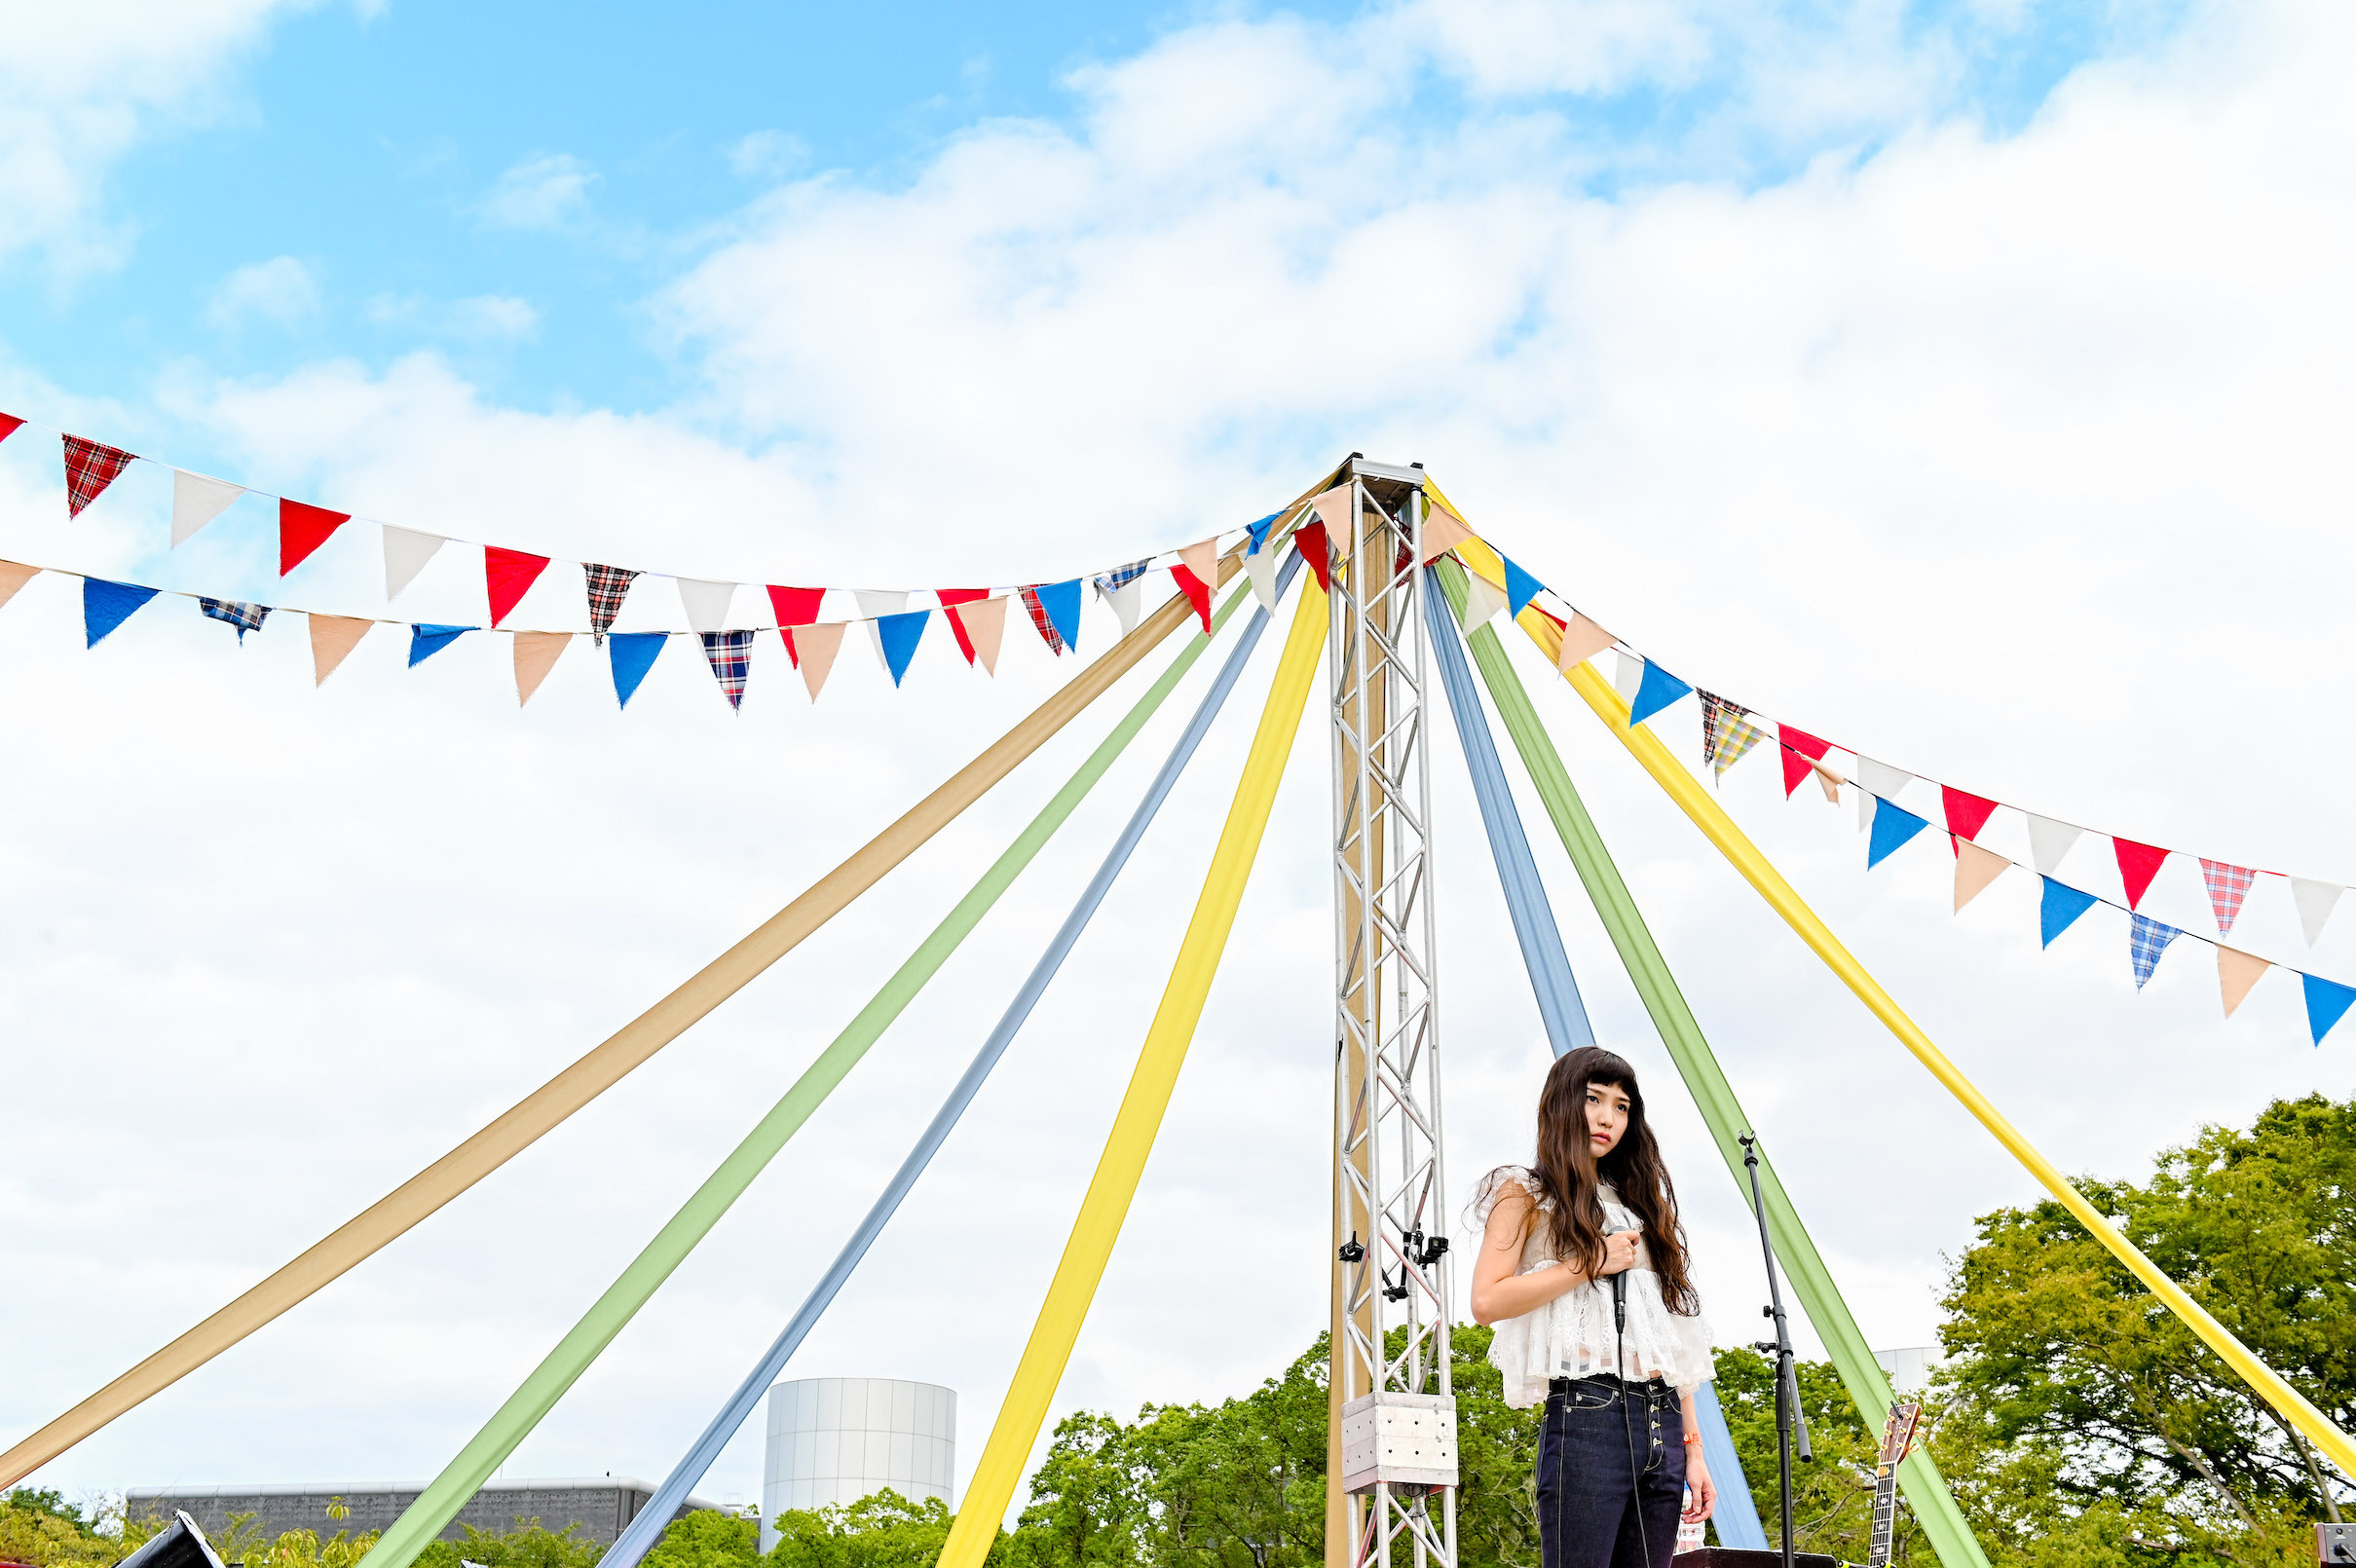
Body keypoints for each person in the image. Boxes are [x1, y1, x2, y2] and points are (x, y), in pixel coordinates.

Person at [1470, 1046, 1718, 1568]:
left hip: (1663, 1422)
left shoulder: (1642, 1206)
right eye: (1594, 1099)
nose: (1608, 1117)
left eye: (1623, 1106)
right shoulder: (1526, 1194)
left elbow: (1671, 1345)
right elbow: (1487, 1300)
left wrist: (1693, 1450)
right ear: (1562, 1104)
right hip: (1590, 1417)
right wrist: (1587, 1264)